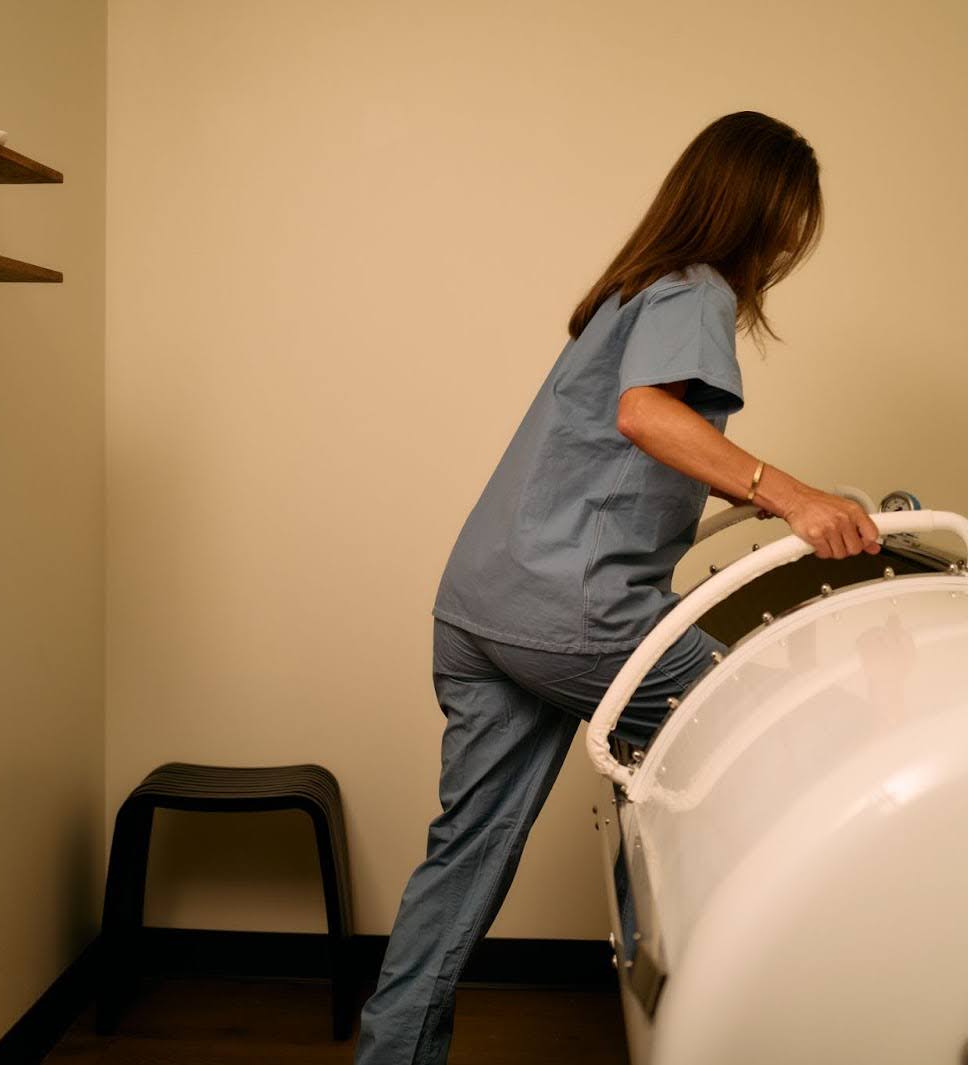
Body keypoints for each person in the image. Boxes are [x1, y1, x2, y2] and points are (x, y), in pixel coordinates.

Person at [353, 110, 880, 1065]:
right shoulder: (696, 288)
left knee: (465, 853)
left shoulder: (632, 291)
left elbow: (614, 450)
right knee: (790, 739)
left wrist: (746, 489)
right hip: (574, 610)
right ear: (757, 210)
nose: (791, 245)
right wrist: (792, 495)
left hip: (482, 606)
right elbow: (644, 417)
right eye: (791, 222)